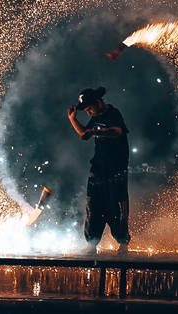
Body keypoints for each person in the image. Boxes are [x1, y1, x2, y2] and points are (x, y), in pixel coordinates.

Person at [67, 87, 130, 255]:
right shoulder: (95, 117)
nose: (88, 113)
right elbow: (83, 134)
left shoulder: (113, 113)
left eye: (89, 108)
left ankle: (123, 242)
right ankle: (91, 243)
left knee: (114, 208)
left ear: (98, 102)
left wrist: (95, 131)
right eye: (85, 110)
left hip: (116, 171)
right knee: (93, 207)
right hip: (98, 169)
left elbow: (116, 132)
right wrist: (73, 119)